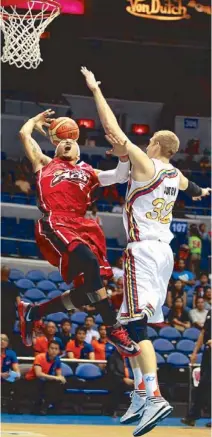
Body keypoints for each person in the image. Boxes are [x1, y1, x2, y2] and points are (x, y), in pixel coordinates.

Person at [81, 66, 211, 436]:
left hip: (143, 251)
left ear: (155, 144)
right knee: (124, 325)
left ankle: (154, 395)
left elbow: (113, 131)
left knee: (134, 327)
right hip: (163, 254)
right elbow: (191, 186)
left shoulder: (148, 164)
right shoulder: (174, 175)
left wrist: (95, 90)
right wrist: (203, 193)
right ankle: (141, 393)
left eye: (149, 139)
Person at [17, 109, 140, 358]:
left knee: (89, 292)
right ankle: (114, 327)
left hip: (81, 227)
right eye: (62, 141)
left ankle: (34, 312)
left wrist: (123, 156)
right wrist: (33, 121)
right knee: (90, 263)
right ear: (55, 147)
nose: (67, 143)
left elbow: (119, 175)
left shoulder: (89, 172)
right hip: (56, 221)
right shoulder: (45, 164)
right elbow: (23, 133)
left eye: (71, 141)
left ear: (79, 151)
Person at [181, 310, 211, 427]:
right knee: (203, 385)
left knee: (205, 383)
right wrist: (195, 352)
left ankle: (193, 415)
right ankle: (193, 415)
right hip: (208, 354)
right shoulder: (210, 313)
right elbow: (203, 332)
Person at [25, 340, 65, 414]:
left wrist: (61, 378)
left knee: (59, 385)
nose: (54, 351)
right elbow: (38, 374)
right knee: (48, 384)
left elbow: (59, 374)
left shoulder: (57, 360)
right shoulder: (39, 357)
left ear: (59, 351)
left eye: (56, 349)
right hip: (32, 381)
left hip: (45, 381)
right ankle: (42, 406)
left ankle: (48, 407)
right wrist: (56, 378)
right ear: (48, 349)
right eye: (52, 348)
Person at [1, 334, 20, 413]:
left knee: (18, 383)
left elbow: (16, 368)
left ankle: (13, 408)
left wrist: (17, 374)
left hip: (6, 378)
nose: (2, 341)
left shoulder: (11, 353)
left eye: (4, 340)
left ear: (7, 343)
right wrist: (1, 374)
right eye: (0, 339)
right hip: (2, 376)